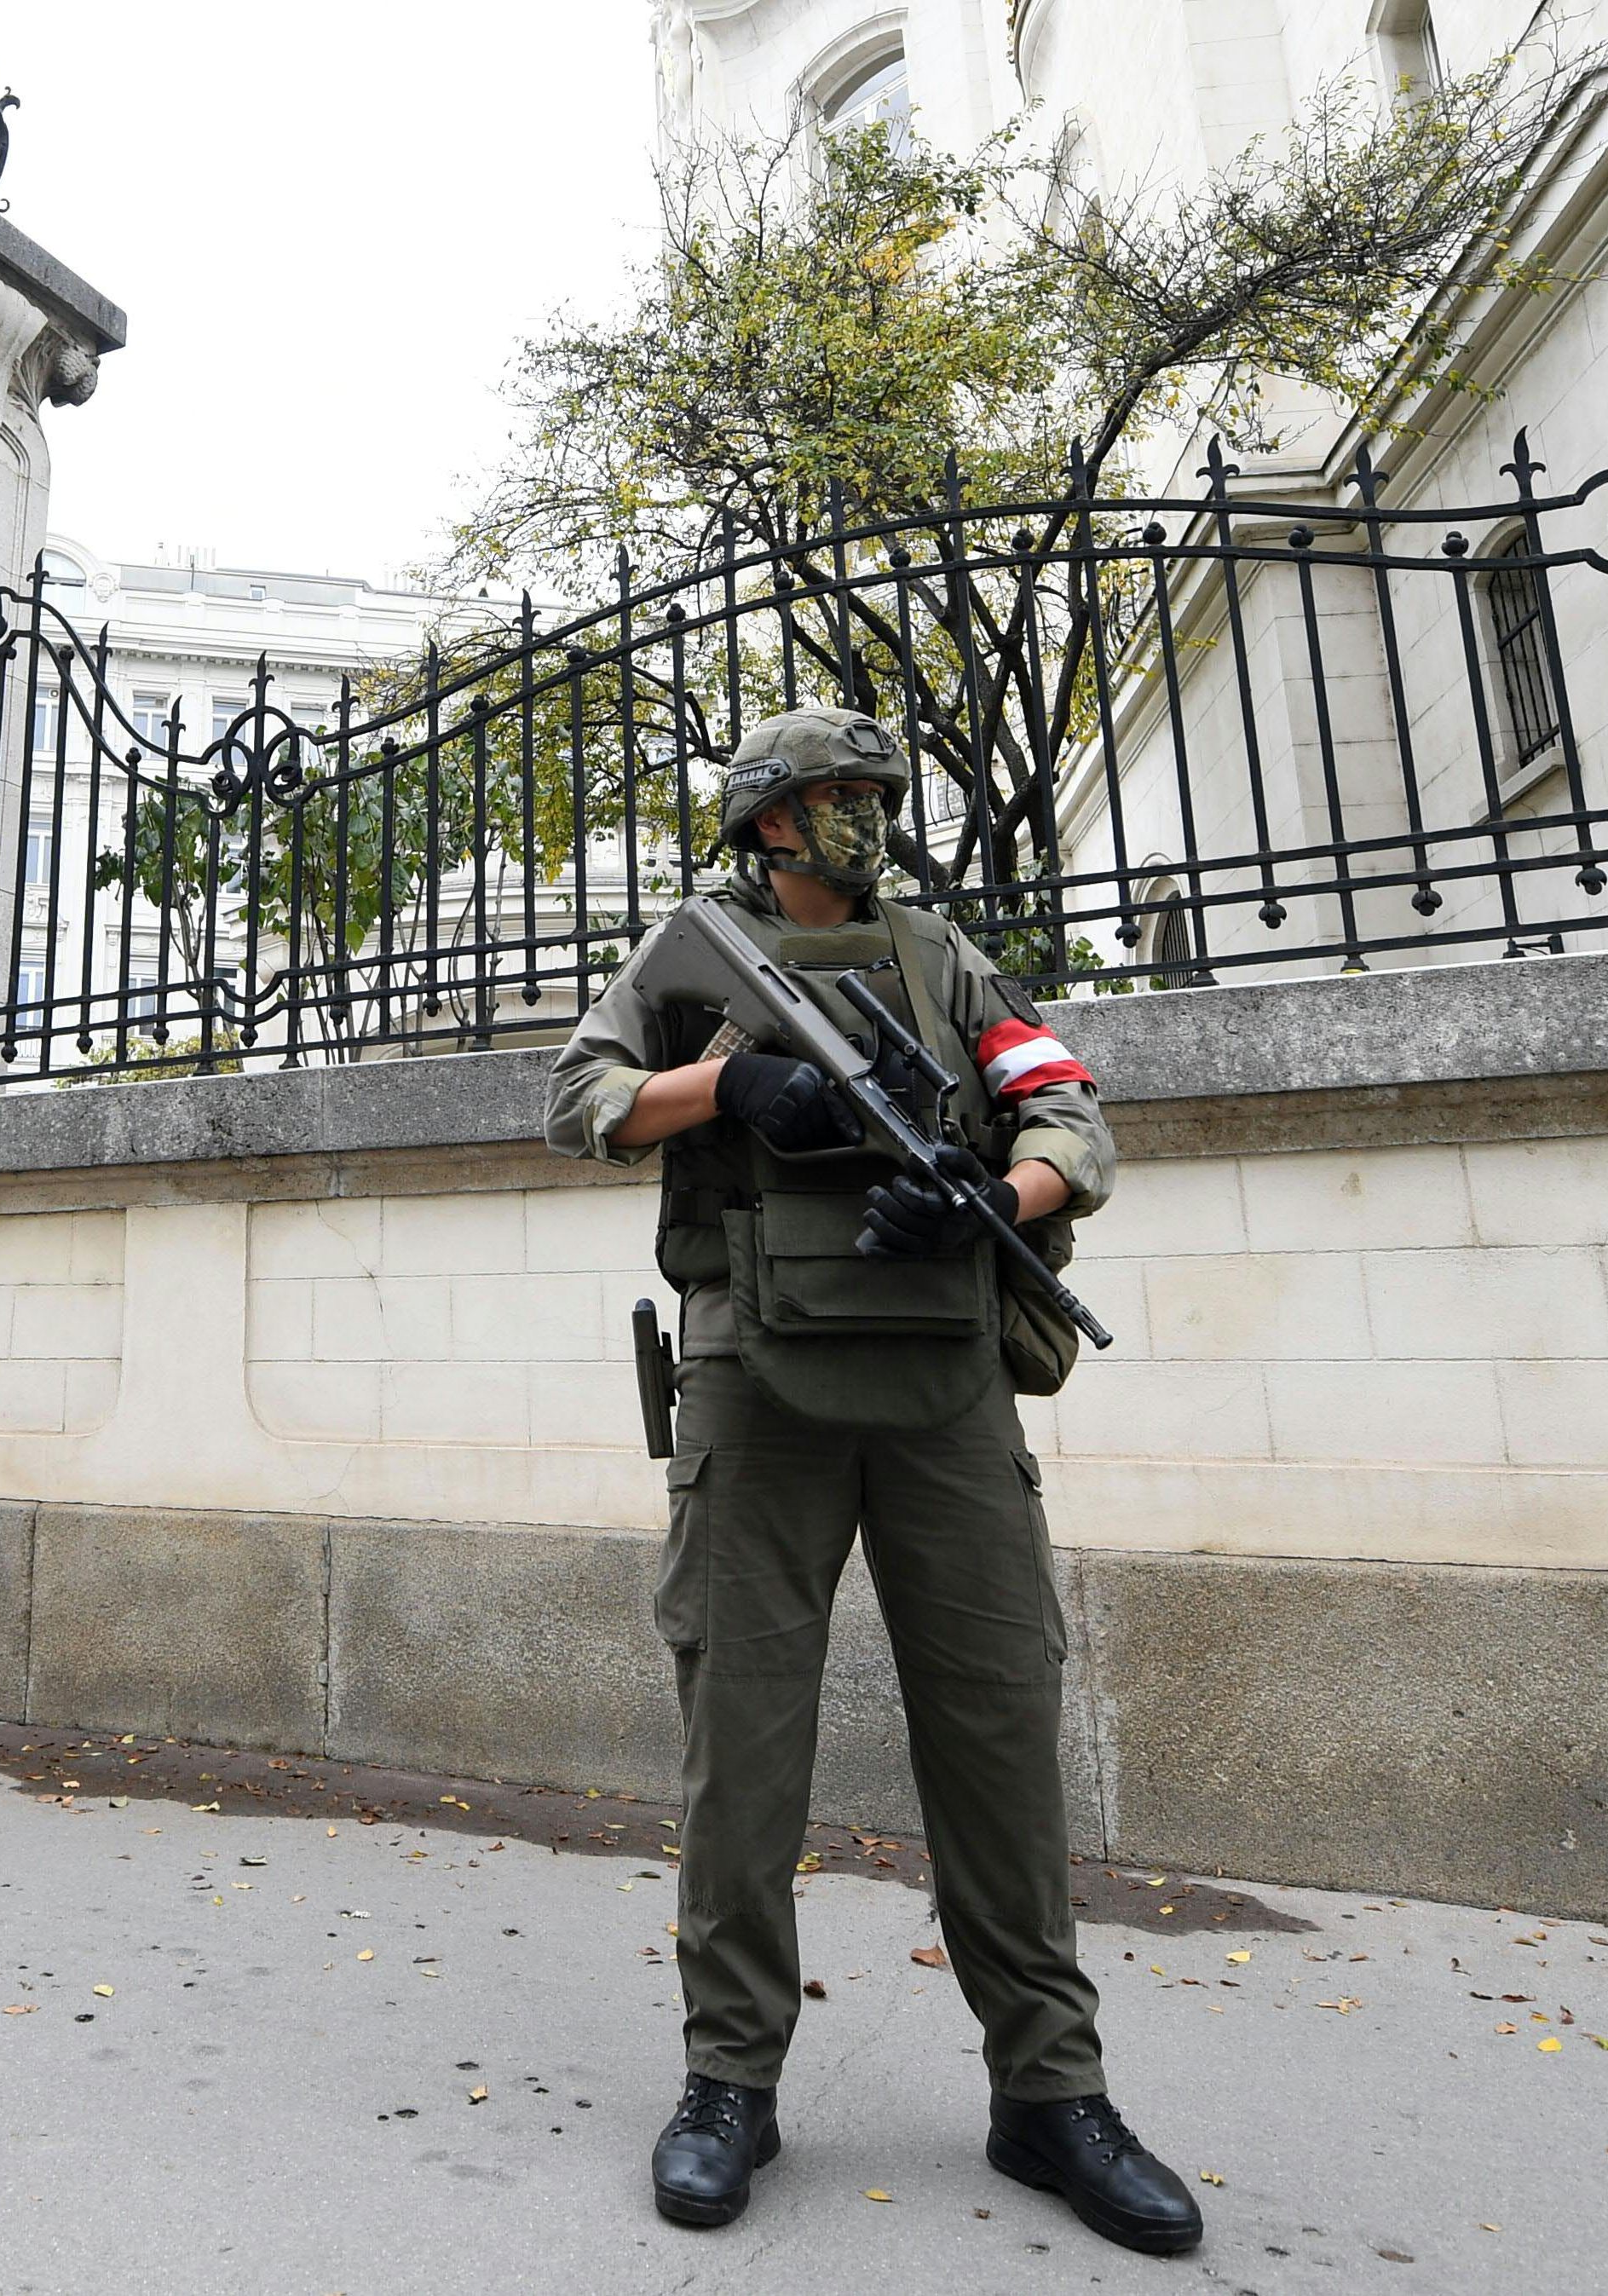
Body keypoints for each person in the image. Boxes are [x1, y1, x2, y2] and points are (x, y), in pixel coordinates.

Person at [543, 707, 1201, 2256]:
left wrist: (998, 1187)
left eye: (874, 796)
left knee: (995, 1721)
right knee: (744, 1737)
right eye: (835, 797)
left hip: (942, 1372)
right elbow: (575, 1099)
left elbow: (1067, 1108)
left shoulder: (943, 957)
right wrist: (729, 1091)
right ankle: (728, 2080)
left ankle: (1050, 2089)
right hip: (754, 1378)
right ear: (768, 822)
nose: (863, 818)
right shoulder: (692, 948)